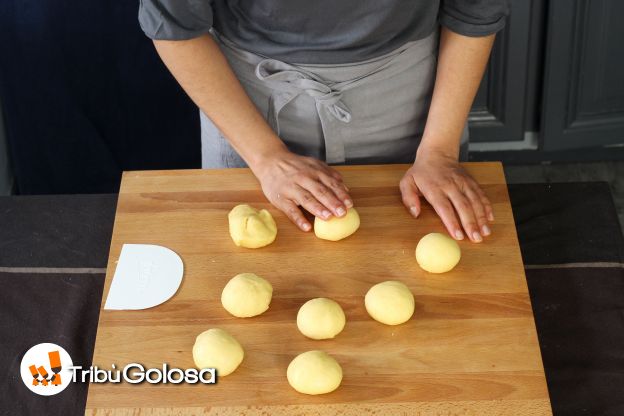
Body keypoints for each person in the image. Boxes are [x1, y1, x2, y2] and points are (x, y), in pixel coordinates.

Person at [139, 0, 509, 243]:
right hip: (248, 111)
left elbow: (474, 10)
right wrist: (266, 156)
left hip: (416, 106)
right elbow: (175, 27)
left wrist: (439, 151)